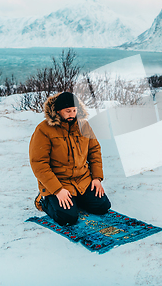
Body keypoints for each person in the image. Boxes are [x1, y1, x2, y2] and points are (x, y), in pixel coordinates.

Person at [29, 91, 111, 226]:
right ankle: (44, 201)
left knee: (102, 207)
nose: (72, 114)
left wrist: (96, 178)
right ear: (58, 111)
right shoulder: (43, 130)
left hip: (82, 180)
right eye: (68, 111)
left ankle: (75, 198)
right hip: (59, 183)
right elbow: (39, 164)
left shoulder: (84, 125)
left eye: (74, 110)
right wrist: (57, 190)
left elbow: (94, 151)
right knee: (67, 218)